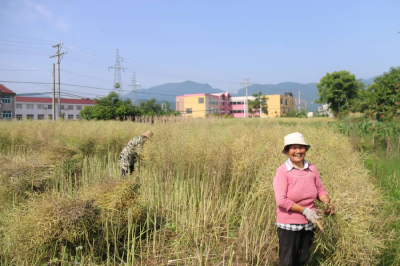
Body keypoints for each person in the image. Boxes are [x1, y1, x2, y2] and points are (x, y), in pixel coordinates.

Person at [273, 132, 334, 266]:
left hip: (309, 223)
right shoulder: (282, 171)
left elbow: (321, 190)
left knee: (303, 259)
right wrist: (304, 210)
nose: (298, 151)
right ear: (287, 151)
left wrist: (326, 202)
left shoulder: (312, 169)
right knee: (288, 262)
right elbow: (281, 200)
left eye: (301, 147)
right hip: (289, 225)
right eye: (294, 148)